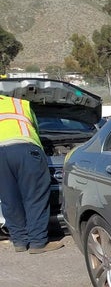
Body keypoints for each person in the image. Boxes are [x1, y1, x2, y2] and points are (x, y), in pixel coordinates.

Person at [0, 93, 64, 253]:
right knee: (35, 197)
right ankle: (38, 243)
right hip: (24, 150)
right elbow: (34, 127)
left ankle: (19, 242)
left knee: (9, 199)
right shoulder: (20, 103)